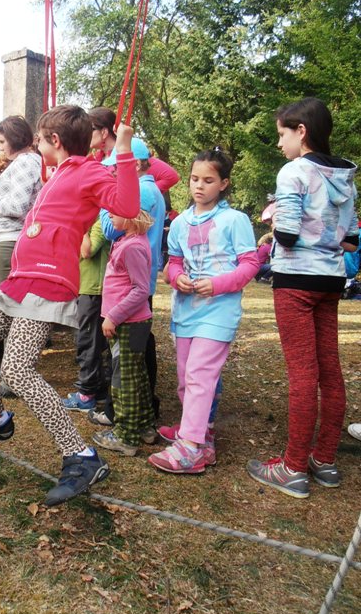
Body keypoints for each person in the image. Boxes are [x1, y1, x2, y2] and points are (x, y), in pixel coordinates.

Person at [0, 105, 140, 506]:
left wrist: (123, 148)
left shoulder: (89, 170)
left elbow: (125, 205)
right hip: (19, 281)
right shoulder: (56, 172)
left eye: (41, 138)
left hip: (48, 283)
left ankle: (82, 457)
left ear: (55, 141)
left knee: (16, 370)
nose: (35, 144)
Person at [247, 98, 358, 498]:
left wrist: (274, 215)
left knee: (303, 374)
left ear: (301, 132)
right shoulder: (345, 177)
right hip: (331, 279)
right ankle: (324, 459)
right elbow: (350, 240)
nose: (280, 144)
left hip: (296, 280)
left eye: (282, 134)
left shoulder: (294, 172)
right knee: (329, 371)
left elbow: (289, 235)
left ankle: (292, 467)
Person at [149, 149, 258, 475]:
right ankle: (200, 431)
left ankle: (191, 449)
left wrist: (219, 284)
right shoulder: (180, 222)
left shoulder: (235, 220)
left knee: (199, 376)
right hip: (186, 313)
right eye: (195, 179)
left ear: (223, 183)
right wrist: (176, 276)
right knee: (186, 381)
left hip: (219, 312)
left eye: (208, 180)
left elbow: (250, 264)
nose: (199, 186)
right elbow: (175, 262)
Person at [92, 210, 156, 456]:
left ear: (131, 216)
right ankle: (144, 426)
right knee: (137, 377)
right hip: (130, 323)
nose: (109, 218)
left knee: (123, 381)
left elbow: (140, 290)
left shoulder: (132, 248)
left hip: (128, 324)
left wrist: (113, 316)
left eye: (114, 213)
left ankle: (125, 437)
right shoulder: (128, 242)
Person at [0, 115, 42, 284]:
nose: (0, 148)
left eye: (2, 142)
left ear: (14, 139)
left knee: (8, 302)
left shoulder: (25, 162)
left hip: (11, 239)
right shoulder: (27, 161)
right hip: (12, 238)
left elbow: (17, 207)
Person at [61, 218, 111, 412]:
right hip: (86, 287)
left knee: (88, 341)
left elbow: (87, 251)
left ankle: (86, 394)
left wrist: (81, 229)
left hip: (94, 290)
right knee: (91, 341)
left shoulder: (99, 222)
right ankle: (96, 389)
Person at [89, 106, 180, 193]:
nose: (86, 133)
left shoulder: (133, 150)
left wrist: (143, 195)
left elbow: (171, 176)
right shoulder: (97, 159)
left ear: (104, 132)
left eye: (90, 129)